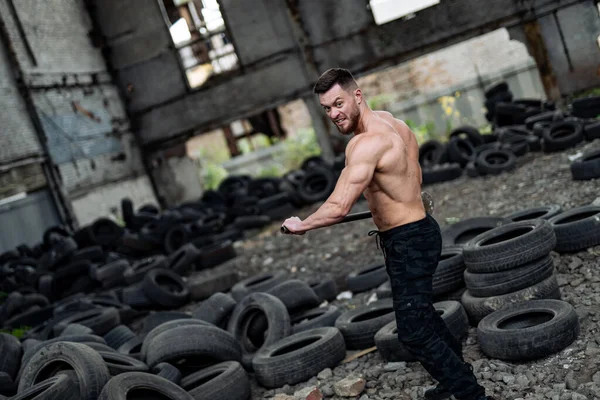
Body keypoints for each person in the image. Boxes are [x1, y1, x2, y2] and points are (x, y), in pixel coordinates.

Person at [281, 68, 492, 400]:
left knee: (413, 330)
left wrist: (302, 224)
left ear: (357, 95)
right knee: (421, 314)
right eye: (327, 109)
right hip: (420, 231)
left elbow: (338, 206)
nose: (334, 114)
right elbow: (412, 177)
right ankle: (455, 381)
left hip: (408, 241)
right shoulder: (394, 123)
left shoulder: (365, 144)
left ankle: (471, 395)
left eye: (338, 103)